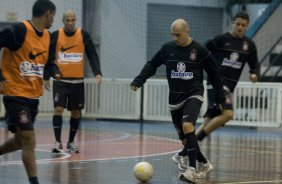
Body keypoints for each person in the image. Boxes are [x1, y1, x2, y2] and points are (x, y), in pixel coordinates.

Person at [130, 18, 225, 183]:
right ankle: (204, 163)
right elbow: (152, 65)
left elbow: (214, 73)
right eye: (173, 35)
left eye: (178, 35)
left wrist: (220, 97)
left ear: (187, 32)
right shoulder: (167, 49)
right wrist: (139, 80)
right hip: (175, 98)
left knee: (188, 125)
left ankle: (192, 169)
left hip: (194, 93)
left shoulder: (200, 50)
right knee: (185, 140)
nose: (175, 38)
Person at [0, 1, 60, 184]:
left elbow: (49, 63)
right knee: (29, 139)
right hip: (15, 93)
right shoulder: (18, 30)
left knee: (20, 141)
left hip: (33, 96)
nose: (53, 20)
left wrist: (53, 72)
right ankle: (34, 182)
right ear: (48, 13)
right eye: (53, 16)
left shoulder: (48, 37)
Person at [196, 11, 260, 141]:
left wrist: (254, 74)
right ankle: (197, 141)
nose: (240, 27)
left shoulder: (249, 45)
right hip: (216, 82)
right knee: (228, 114)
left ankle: (185, 151)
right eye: (238, 24)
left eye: (243, 25)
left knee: (210, 120)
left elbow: (255, 65)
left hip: (228, 87)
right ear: (233, 23)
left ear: (247, 26)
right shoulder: (220, 39)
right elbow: (201, 51)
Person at [48, 10, 102, 153]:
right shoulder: (55, 35)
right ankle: (57, 142)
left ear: (75, 20)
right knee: (58, 109)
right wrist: (47, 76)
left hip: (77, 82)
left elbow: (92, 55)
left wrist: (97, 72)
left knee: (76, 113)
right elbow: (49, 58)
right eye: (67, 20)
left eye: (72, 20)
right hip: (61, 81)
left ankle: (71, 141)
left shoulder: (84, 35)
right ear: (63, 20)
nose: (70, 23)